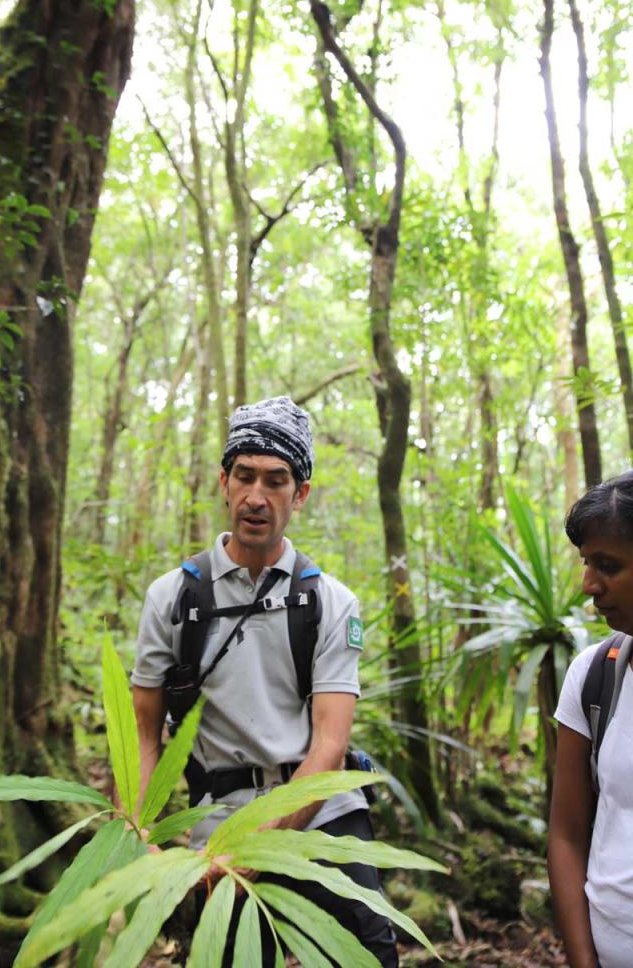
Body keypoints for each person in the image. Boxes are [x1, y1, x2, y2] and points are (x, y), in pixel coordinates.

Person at [131, 395, 399, 966]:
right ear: (224, 482)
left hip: (320, 813)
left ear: (299, 494)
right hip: (217, 819)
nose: (257, 496)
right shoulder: (172, 599)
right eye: (245, 476)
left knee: (370, 953)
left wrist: (263, 842)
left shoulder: (330, 603)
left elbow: (329, 745)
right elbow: (144, 738)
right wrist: (141, 836)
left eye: (276, 480)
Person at [548, 469, 633, 968]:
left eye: (607, 565)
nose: (587, 584)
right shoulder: (594, 676)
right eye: (586, 563)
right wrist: (583, 960)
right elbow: (566, 833)